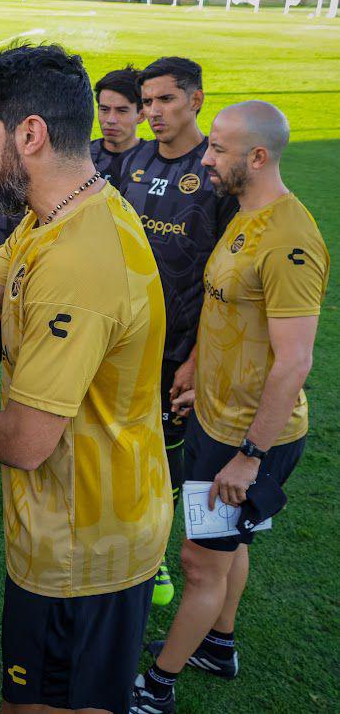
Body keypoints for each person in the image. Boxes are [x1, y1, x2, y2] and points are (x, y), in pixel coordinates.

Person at [0, 45, 172, 713]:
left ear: (30, 134)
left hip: (84, 546)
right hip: (80, 525)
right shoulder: (54, 218)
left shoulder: (76, 262)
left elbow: (27, 441)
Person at [132, 102, 329, 714]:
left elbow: (294, 364)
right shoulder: (246, 216)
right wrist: (195, 370)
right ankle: (218, 642)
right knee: (228, 547)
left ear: (258, 157)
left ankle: (157, 688)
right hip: (217, 419)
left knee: (198, 562)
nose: (206, 159)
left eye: (217, 150)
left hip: (247, 438)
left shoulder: (291, 242)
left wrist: (249, 457)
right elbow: (225, 308)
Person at [114, 57, 238, 606]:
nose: (153, 112)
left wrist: (196, 357)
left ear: (197, 100)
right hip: (129, 335)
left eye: (165, 99)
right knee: (126, 443)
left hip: (183, 345)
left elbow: (228, 275)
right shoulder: (133, 158)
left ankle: (164, 558)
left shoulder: (217, 170)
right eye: (147, 102)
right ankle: (135, 542)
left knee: (169, 456)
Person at [91, 66, 144, 181]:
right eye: (104, 109)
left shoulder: (154, 159)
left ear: (141, 115)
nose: (111, 120)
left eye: (121, 111)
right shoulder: (81, 157)